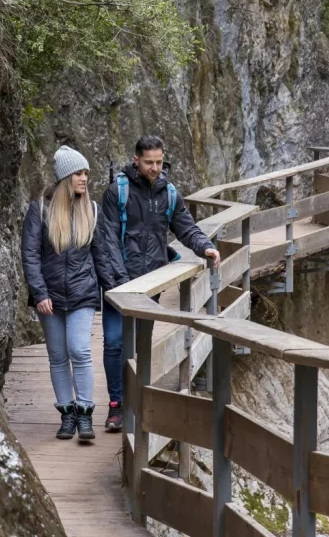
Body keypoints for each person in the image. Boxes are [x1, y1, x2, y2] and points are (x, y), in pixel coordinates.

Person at [98, 135, 221, 431]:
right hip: (119, 283)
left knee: (141, 344)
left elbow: (185, 226)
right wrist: (121, 284)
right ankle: (116, 406)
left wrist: (204, 246)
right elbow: (106, 240)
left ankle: (136, 401)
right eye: (149, 162)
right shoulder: (118, 192)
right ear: (136, 159)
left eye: (159, 162)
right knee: (115, 342)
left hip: (151, 283)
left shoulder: (169, 193)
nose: (155, 168)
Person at [22, 145, 119, 441]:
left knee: (79, 350)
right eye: (79, 173)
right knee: (57, 355)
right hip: (49, 295)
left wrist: (114, 291)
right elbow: (30, 255)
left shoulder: (92, 209)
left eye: (87, 173)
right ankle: (67, 413)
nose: (84, 178)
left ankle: (86, 413)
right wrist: (39, 293)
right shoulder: (41, 209)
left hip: (82, 293)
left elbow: (102, 253)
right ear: (65, 177)